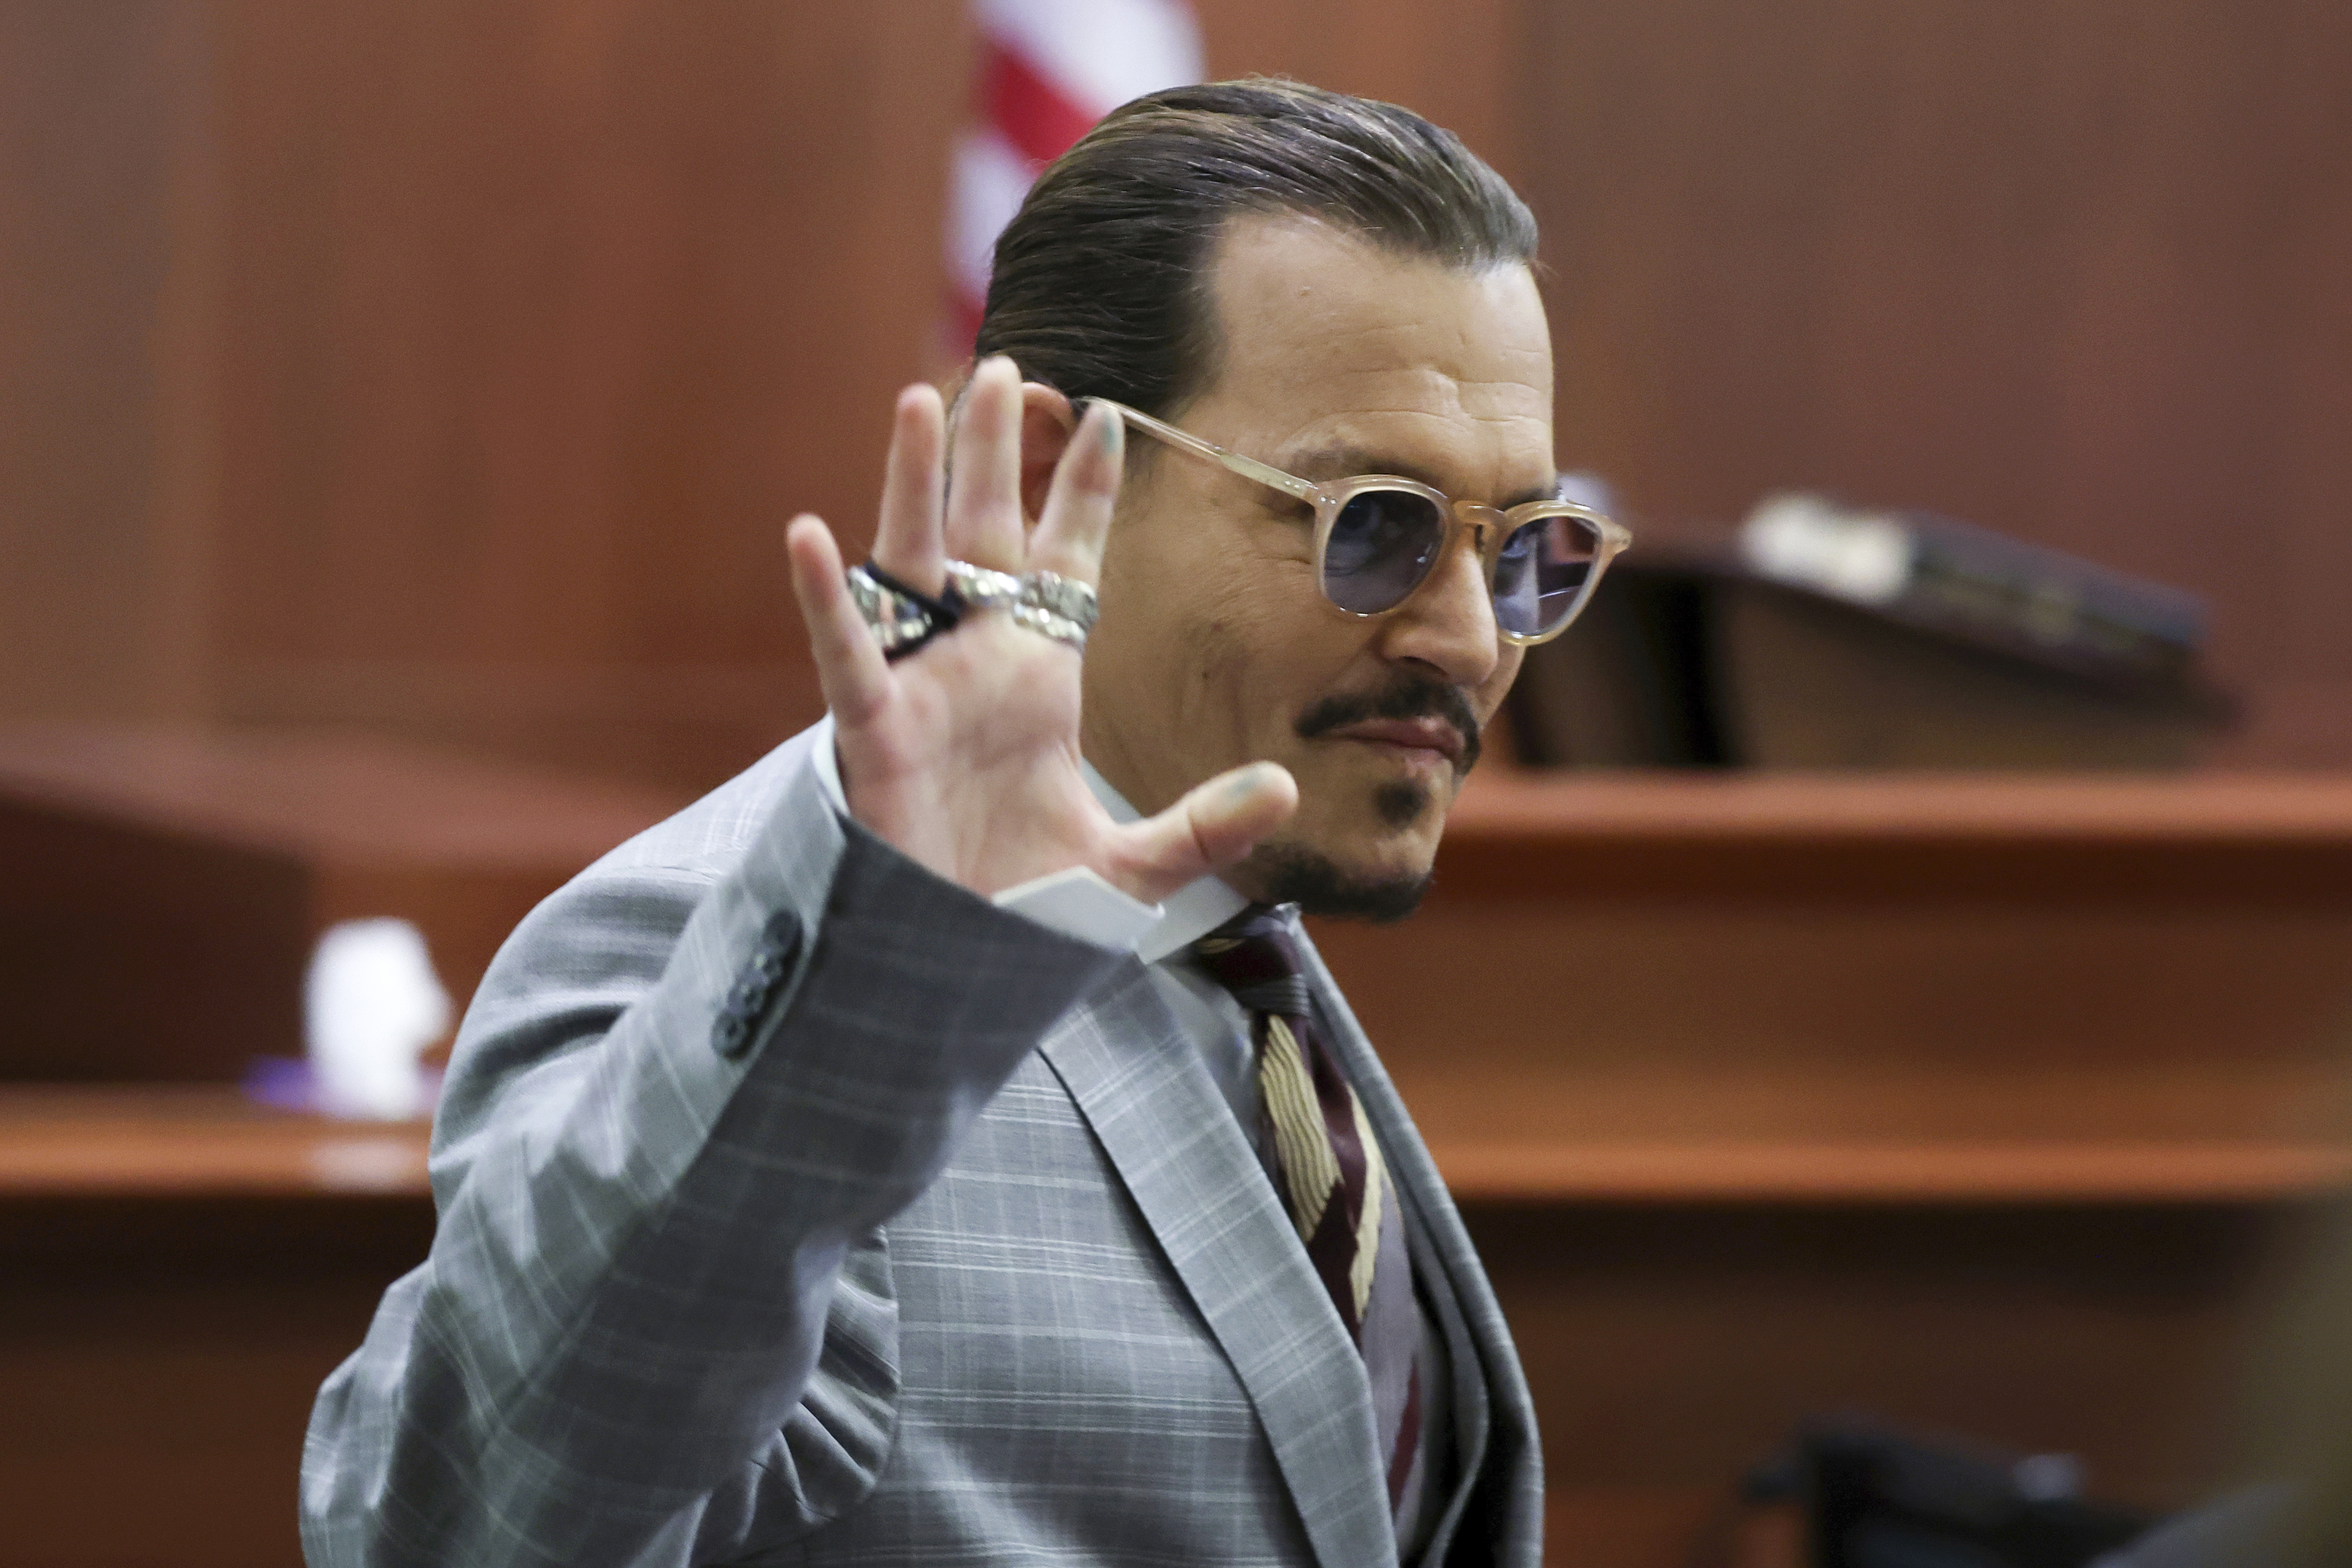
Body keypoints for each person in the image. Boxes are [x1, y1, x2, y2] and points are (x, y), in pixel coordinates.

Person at [300, 78, 1627, 1568]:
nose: (1467, 639)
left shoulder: (1241, 952)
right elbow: (457, 1529)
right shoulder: (727, 944)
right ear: (1069, 476)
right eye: (1370, 525)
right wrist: (874, 975)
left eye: (1522, 549)